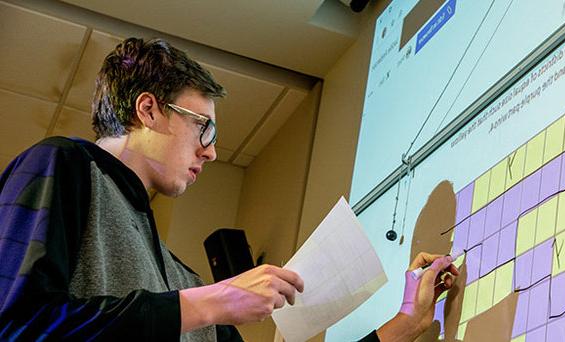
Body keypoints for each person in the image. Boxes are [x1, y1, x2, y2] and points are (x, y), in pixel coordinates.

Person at [0, 37, 458, 341]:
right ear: (148, 110)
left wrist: (405, 323)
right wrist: (212, 301)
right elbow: (17, 325)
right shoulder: (62, 164)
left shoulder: (183, 281)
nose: (211, 152)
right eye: (204, 129)